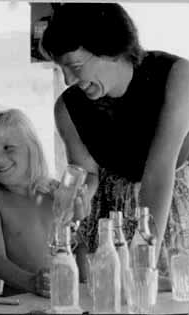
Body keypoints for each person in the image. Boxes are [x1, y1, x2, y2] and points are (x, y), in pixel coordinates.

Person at [41, 3, 189, 282]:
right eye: (61, 69)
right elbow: (86, 172)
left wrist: (143, 265)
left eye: (74, 66)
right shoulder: (67, 108)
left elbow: (158, 173)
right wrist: (78, 194)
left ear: (109, 48)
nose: (67, 80)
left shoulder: (178, 76)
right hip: (114, 219)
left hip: (171, 208)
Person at [0, 109, 86, 297]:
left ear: (31, 149)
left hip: (65, 295)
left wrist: (80, 214)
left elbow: (79, 244)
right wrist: (32, 283)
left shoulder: (56, 193)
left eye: (8, 148)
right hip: (20, 299)